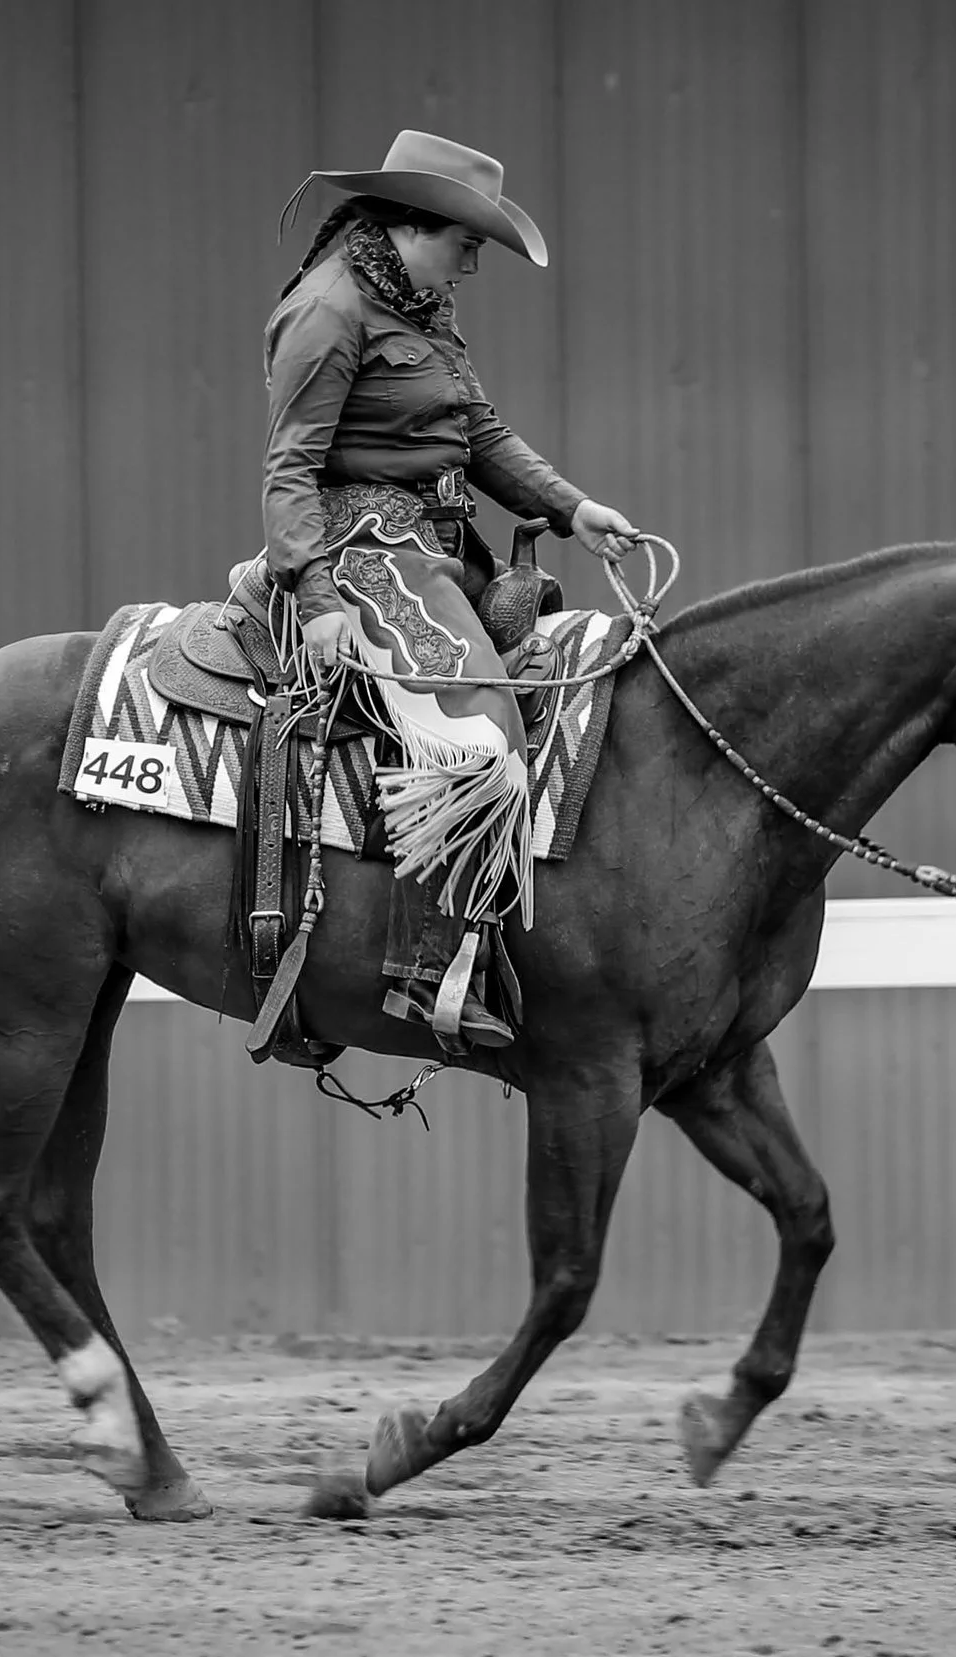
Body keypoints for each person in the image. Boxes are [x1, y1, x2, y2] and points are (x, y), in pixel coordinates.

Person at [253, 130, 639, 1053]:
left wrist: (571, 507)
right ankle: (423, 976)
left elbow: (482, 431)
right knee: (479, 734)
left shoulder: (421, 303)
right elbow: (289, 468)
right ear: (420, 226)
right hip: (360, 547)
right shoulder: (330, 309)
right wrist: (317, 601)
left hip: (434, 543)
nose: (475, 261)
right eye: (469, 241)